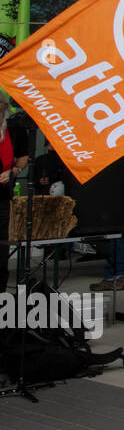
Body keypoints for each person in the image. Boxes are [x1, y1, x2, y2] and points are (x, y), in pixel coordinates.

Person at [0, 107, 30, 293]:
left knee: (2, 251)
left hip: (3, 197)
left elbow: (23, 156)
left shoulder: (14, 127)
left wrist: (14, 171)